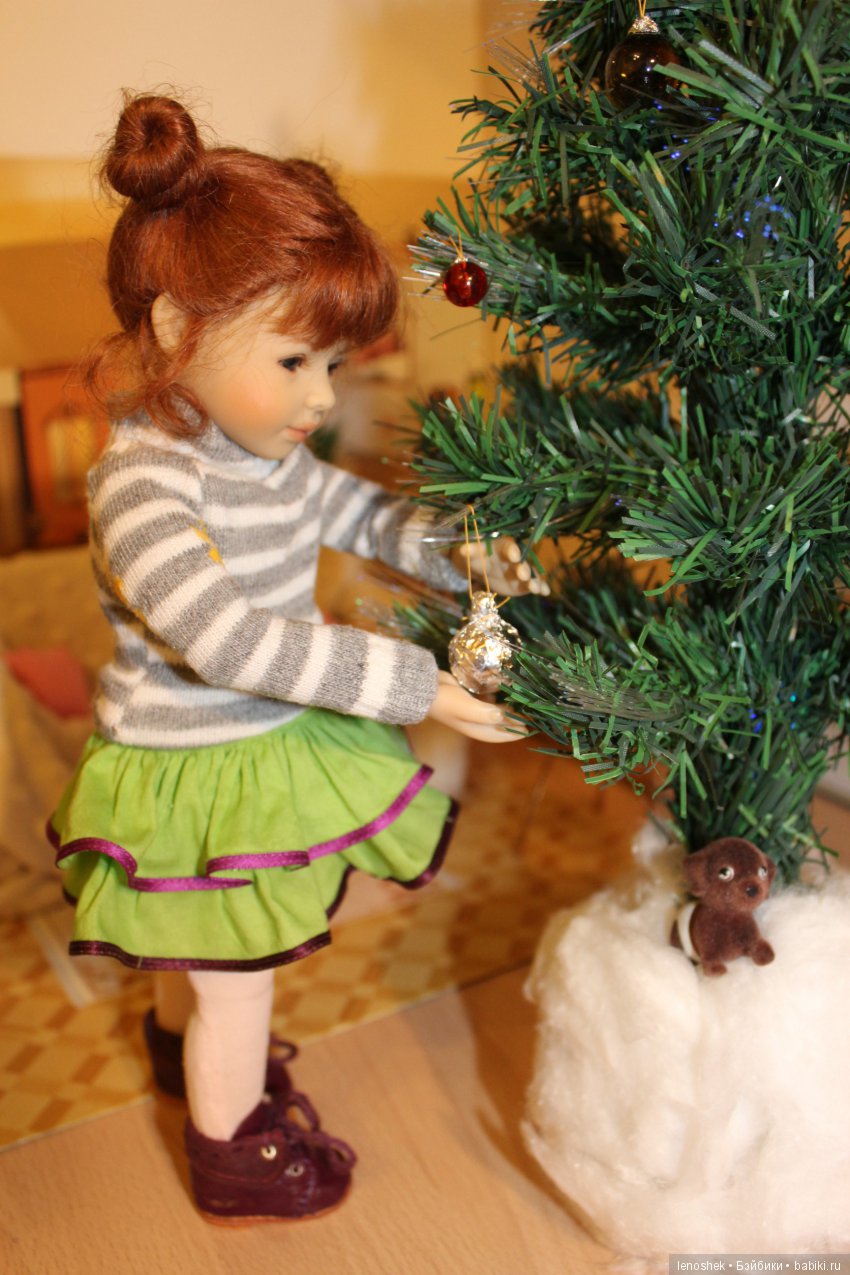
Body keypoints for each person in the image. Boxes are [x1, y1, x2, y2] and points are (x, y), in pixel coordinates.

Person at [49, 92, 532, 1225]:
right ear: (175, 332)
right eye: (297, 361)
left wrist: (461, 555)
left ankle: (182, 1065)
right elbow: (226, 639)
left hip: (250, 753)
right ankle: (232, 1156)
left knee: (199, 955)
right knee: (233, 980)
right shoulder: (143, 482)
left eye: (332, 365)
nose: (320, 400)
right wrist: (419, 686)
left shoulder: (256, 451)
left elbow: (358, 516)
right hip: (191, 771)